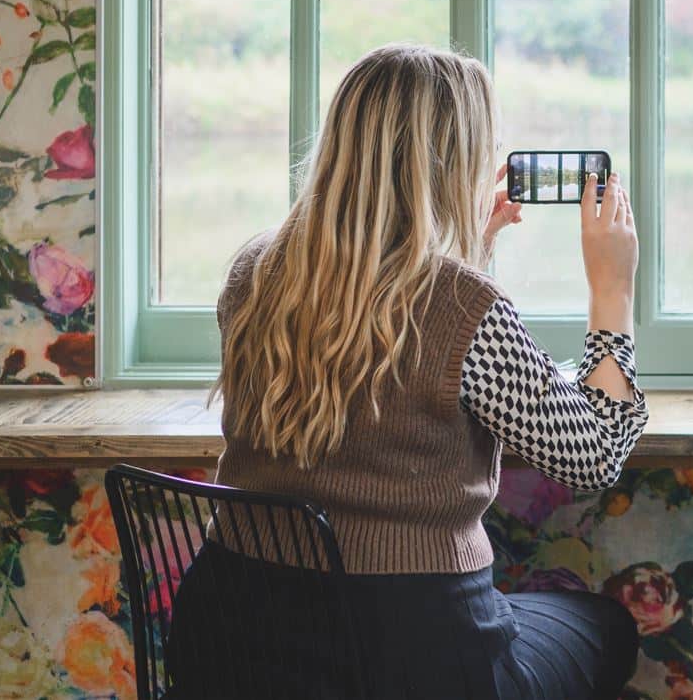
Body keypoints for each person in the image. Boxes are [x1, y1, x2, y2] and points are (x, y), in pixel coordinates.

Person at [169, 43, 646, 700]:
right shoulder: (460, 304)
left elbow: (373, 350)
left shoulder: (256, 268)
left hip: (234, 644)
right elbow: (593, 455)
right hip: (410, 660)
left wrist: (470, 251)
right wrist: (612, 294)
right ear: (455, 165)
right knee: (603, 623)